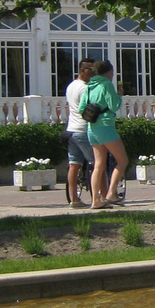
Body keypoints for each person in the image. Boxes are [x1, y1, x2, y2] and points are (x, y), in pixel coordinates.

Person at [82, 61, 127, 209]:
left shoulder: (89, 86)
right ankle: (111, 194)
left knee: (98, 165)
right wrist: (119, 96)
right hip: (106, 126)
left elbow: (82, 108)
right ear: (108, 72)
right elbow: (114, 105)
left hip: (92, 127)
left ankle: (95, 200)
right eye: (112, 72)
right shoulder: (106, 85)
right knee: (122, 161)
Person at [64, 58, 96, 208]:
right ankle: (99, 197)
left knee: (74, 165)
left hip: (71, 130)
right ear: (82, 70)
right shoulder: (84, 88)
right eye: (90, 69)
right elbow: (88, 110)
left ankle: (74, 199)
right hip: (83, 130)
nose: (94, 72)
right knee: (97, 164)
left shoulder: (71, 86)